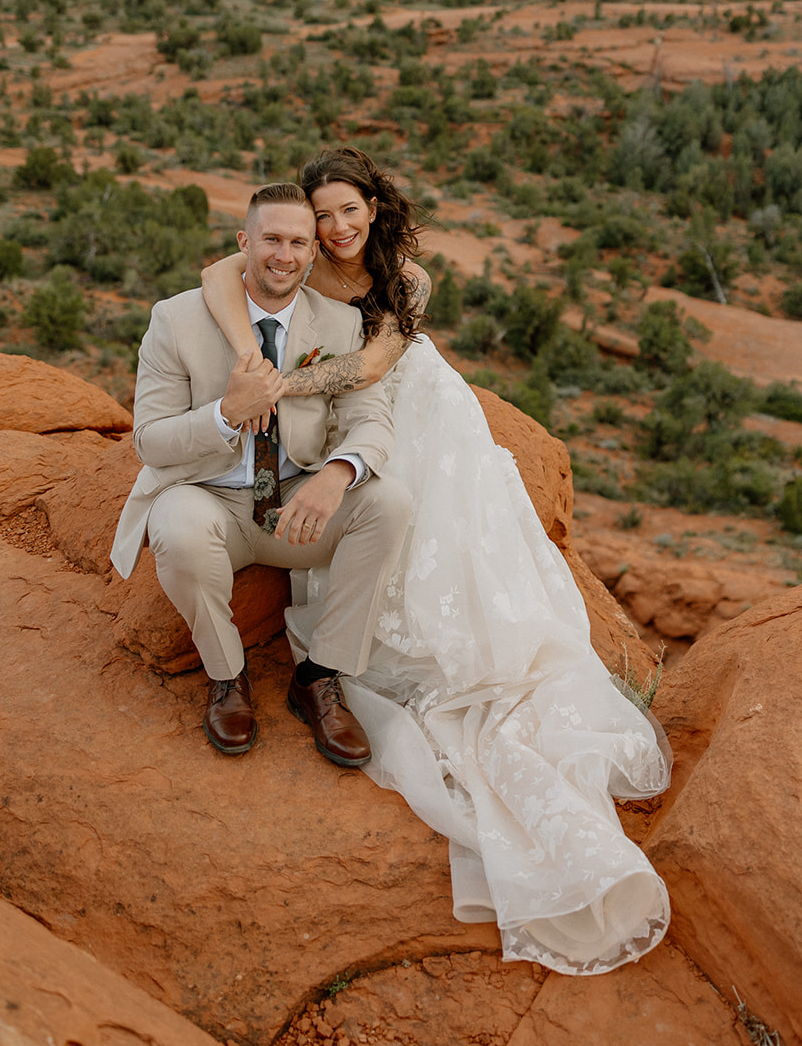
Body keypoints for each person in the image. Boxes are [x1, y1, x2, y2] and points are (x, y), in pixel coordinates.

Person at [200, 147, 672, 978]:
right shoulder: (291, 257)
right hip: (337, 412)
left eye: (350, 211)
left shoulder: (406, 280)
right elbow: (216, 277)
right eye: (321, 219)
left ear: (374, 208)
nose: (337, 229)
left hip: (407, 406)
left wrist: (276, 388)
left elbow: (375, 366)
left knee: (442, 533)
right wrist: (249, 355)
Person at [111, 181, 412, 768]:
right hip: (209, 495)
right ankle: (227, 678)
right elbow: (148, 439)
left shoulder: (340, 323)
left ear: (314, 251)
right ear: (244, 242)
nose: (284, 255)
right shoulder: (175, 319)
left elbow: (370, 419)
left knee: (389, 503)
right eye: (271, 239)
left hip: (296, 503)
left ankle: (319, 676)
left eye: (299, 242)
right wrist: (226, 413)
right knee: (174, 527)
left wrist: (337, 474)